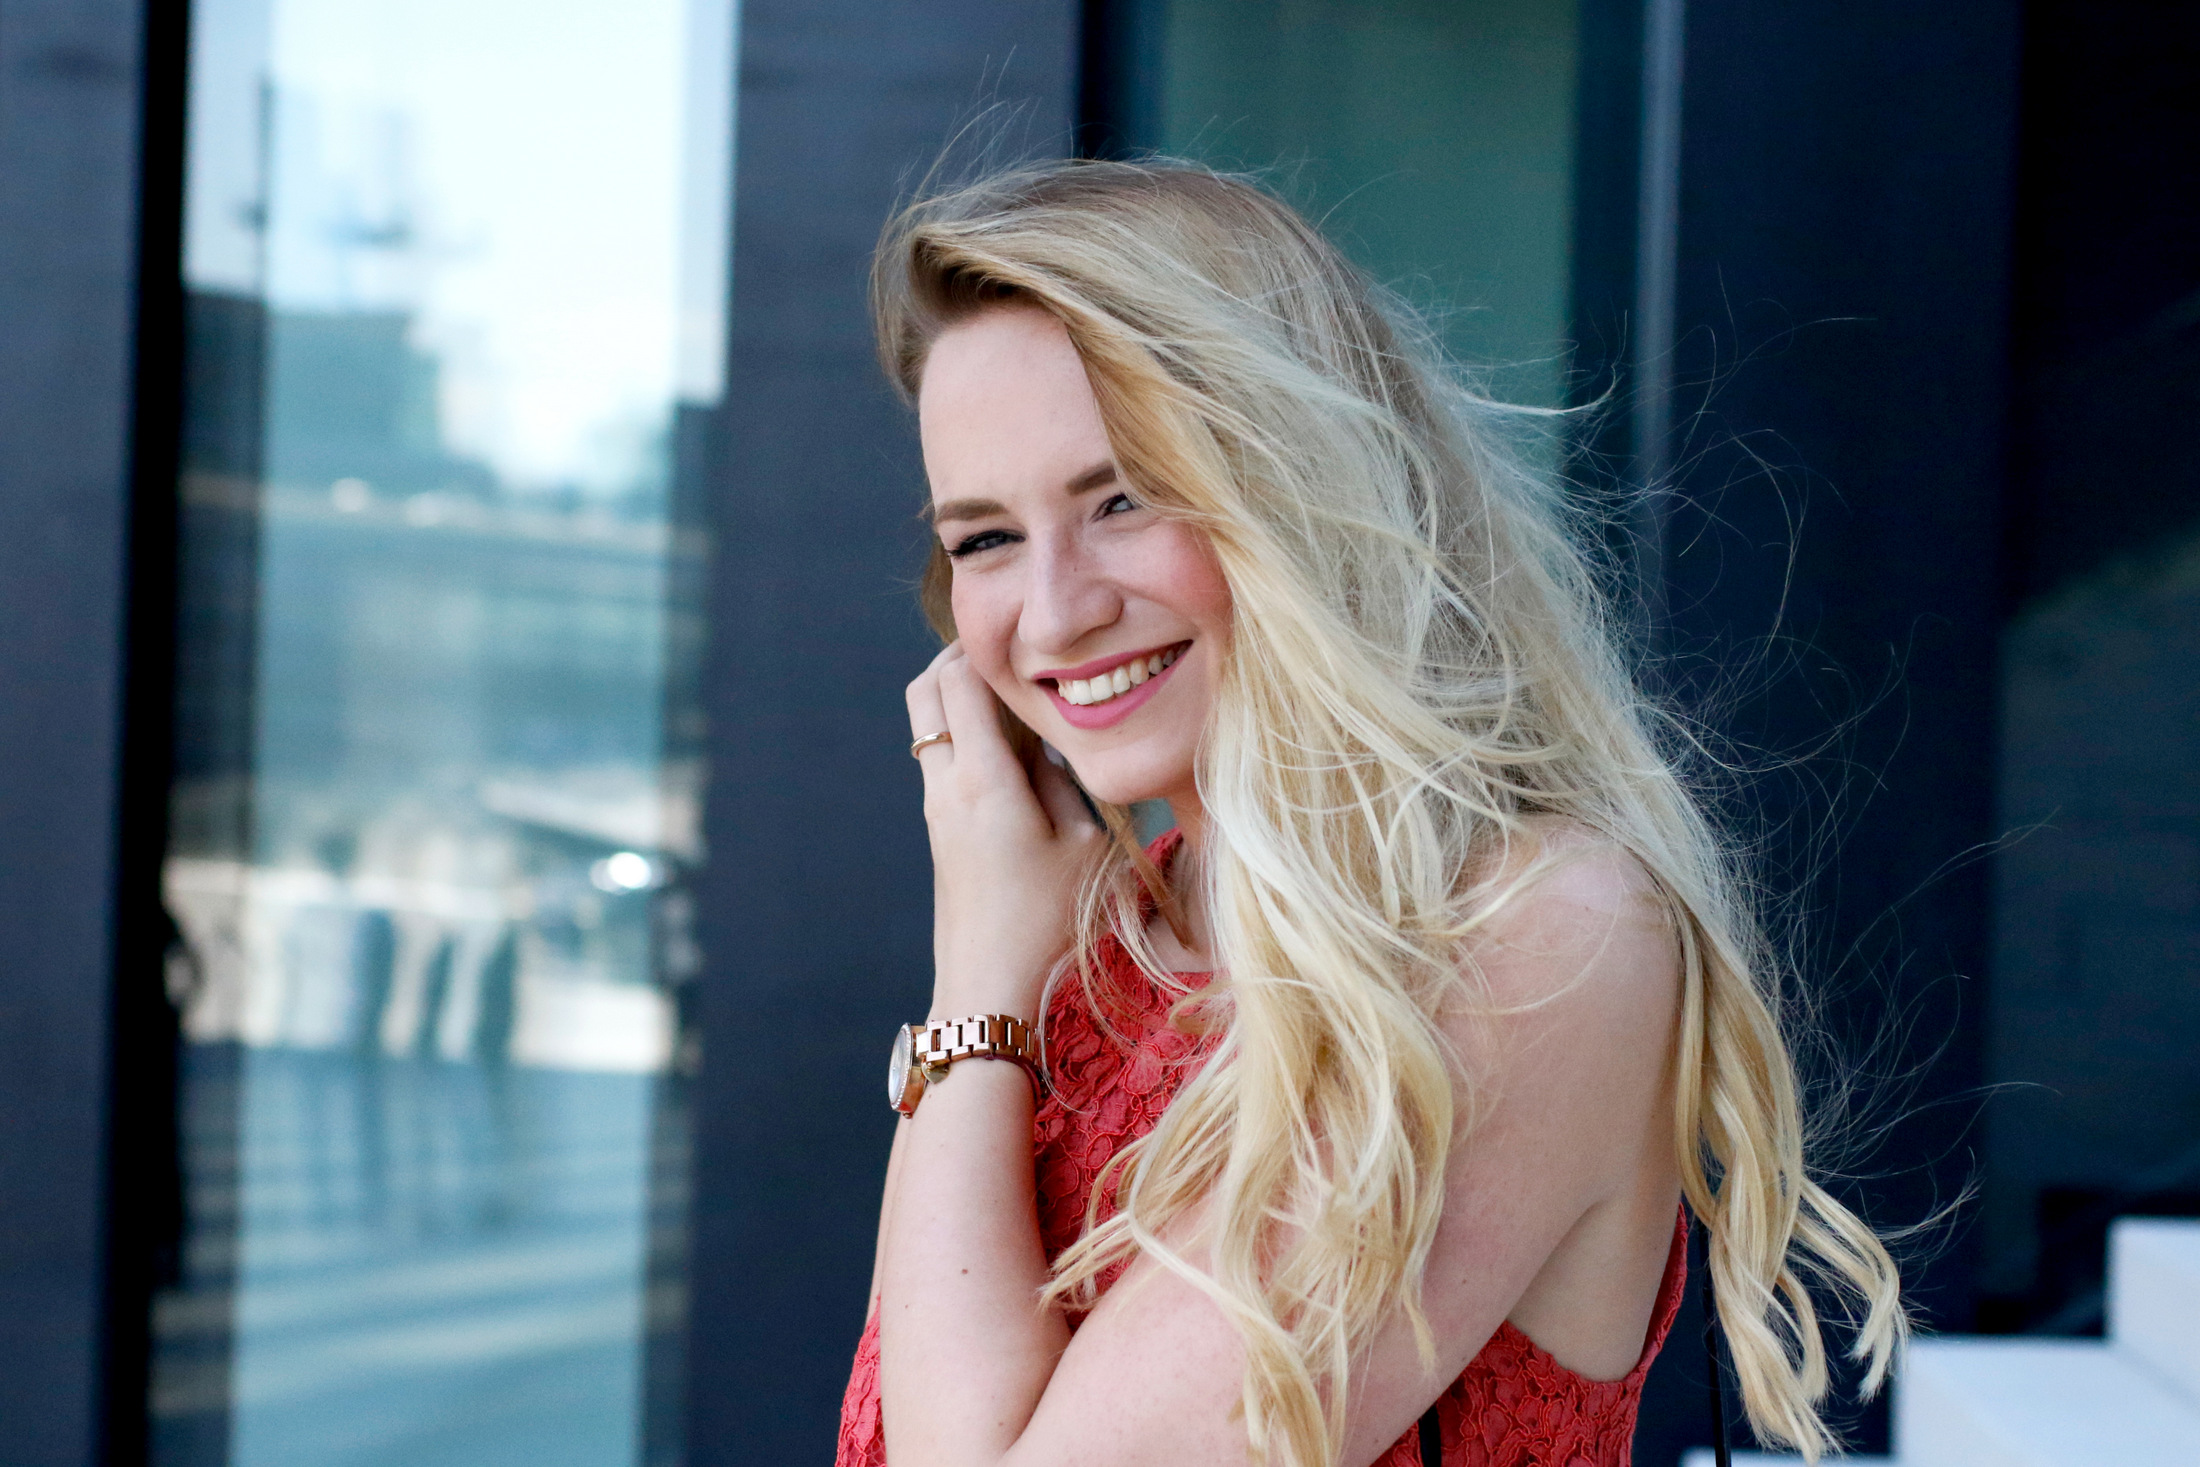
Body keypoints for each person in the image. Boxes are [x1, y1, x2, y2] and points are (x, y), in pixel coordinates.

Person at [837, 159, 1904, 1467]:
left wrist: (974, 996)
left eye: (1124, 498)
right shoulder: (1092, 943)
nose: (1054, 614)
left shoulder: (1534, 939)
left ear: (1301, 484)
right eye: (986, 539)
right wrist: (989, 979)